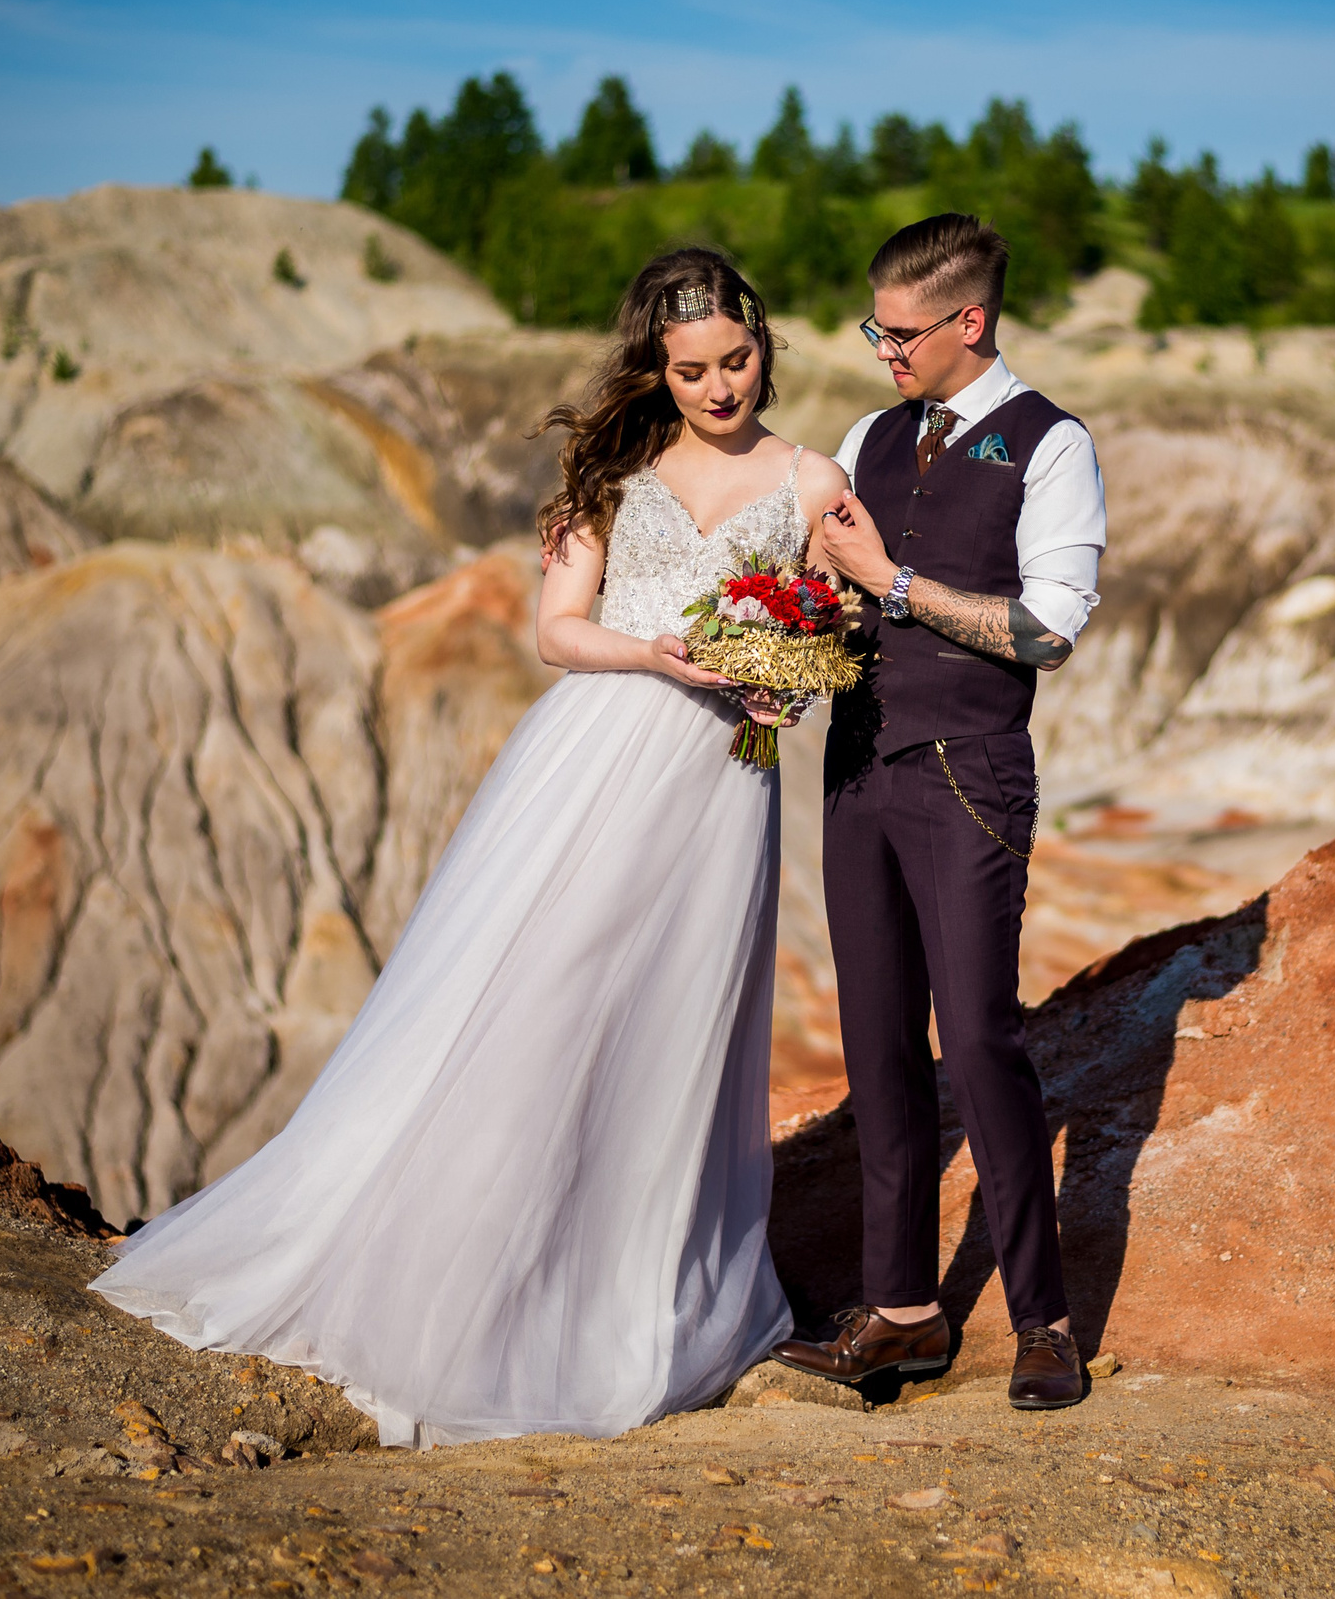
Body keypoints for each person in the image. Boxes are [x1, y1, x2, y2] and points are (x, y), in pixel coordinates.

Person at [89, 248, 846, 1444]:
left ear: (766, 342)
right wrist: (656, 652)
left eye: (736, 360)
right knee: (539, 1003)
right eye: (692, 369)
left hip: (718, 784)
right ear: (657, 370)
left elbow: (827, 628)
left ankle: (617, 1290)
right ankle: (455, 1284)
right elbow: (557, 630)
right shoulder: (614, 471)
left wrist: (784, 678)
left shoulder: (813, 481)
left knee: (668, 1024)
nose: (718, 387)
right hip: (594, 759)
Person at [768, 214, 1108, 1411]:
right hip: (857, 767)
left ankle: (1043, 1320)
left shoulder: (1050, 444)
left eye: (901, 333)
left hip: (970, 772)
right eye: (875, 328)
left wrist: (892, 584)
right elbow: (835, 592)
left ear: (971, 319)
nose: (883, 351)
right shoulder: (868, 437)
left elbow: (1048, 630)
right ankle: (903, 1309)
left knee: (976, 1037)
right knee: (877, 1045)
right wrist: (797, 625)